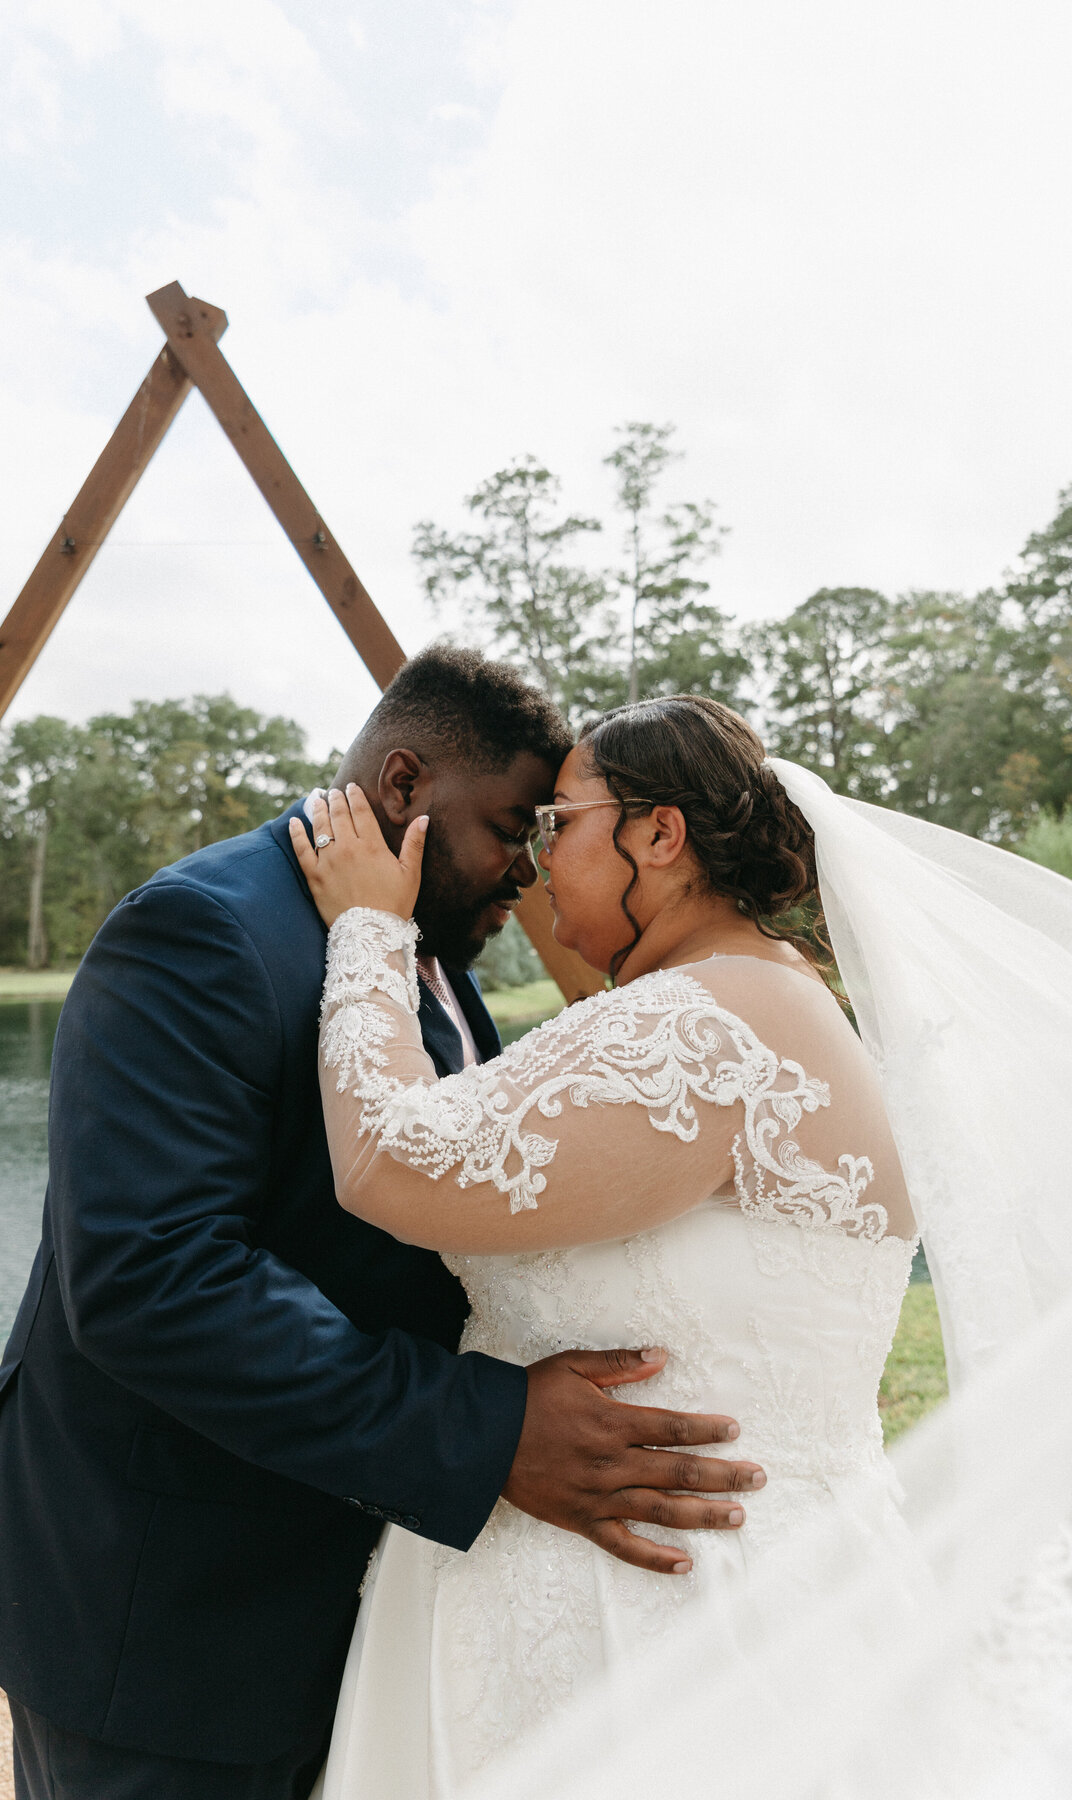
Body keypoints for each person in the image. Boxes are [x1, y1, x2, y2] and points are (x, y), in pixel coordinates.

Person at [0, 649, 761, 1800]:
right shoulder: (203, 930)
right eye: (513, 825)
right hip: (171, 1618)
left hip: (344, 1595)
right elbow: (155, 1279)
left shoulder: (428, 954)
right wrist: (485, 1428)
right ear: (403, 781)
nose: (532, 868)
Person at [292, 693, 923, 1797]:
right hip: (776, 1583)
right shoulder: (777, 1000)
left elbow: (390, 1162)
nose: (537, 866)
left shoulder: (701, 1025)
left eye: (561, 825)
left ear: (659, 835)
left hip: (653, 1634)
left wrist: (367, 931)